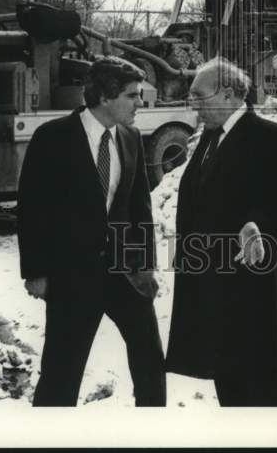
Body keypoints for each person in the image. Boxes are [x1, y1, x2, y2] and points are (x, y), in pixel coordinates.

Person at [17, 56, 166, 406]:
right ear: (104, 96)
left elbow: (139, 208)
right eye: (132, 96)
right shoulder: (52, 137)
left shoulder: (130, 138)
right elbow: (31, 209)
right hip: (72, 276)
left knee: (150, 359)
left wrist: (145, 265)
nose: (139, 103)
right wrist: (36, 272)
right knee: (61, 372)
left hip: (124, 273)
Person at [165, 57, 277, 406]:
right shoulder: (210, 137)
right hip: (210, 282)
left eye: (198, 96)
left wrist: (259, 228)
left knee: (259, 379)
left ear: (228, 94)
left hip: (245, 282)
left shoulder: (269, 136)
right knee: (227, 379)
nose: (192, 104)